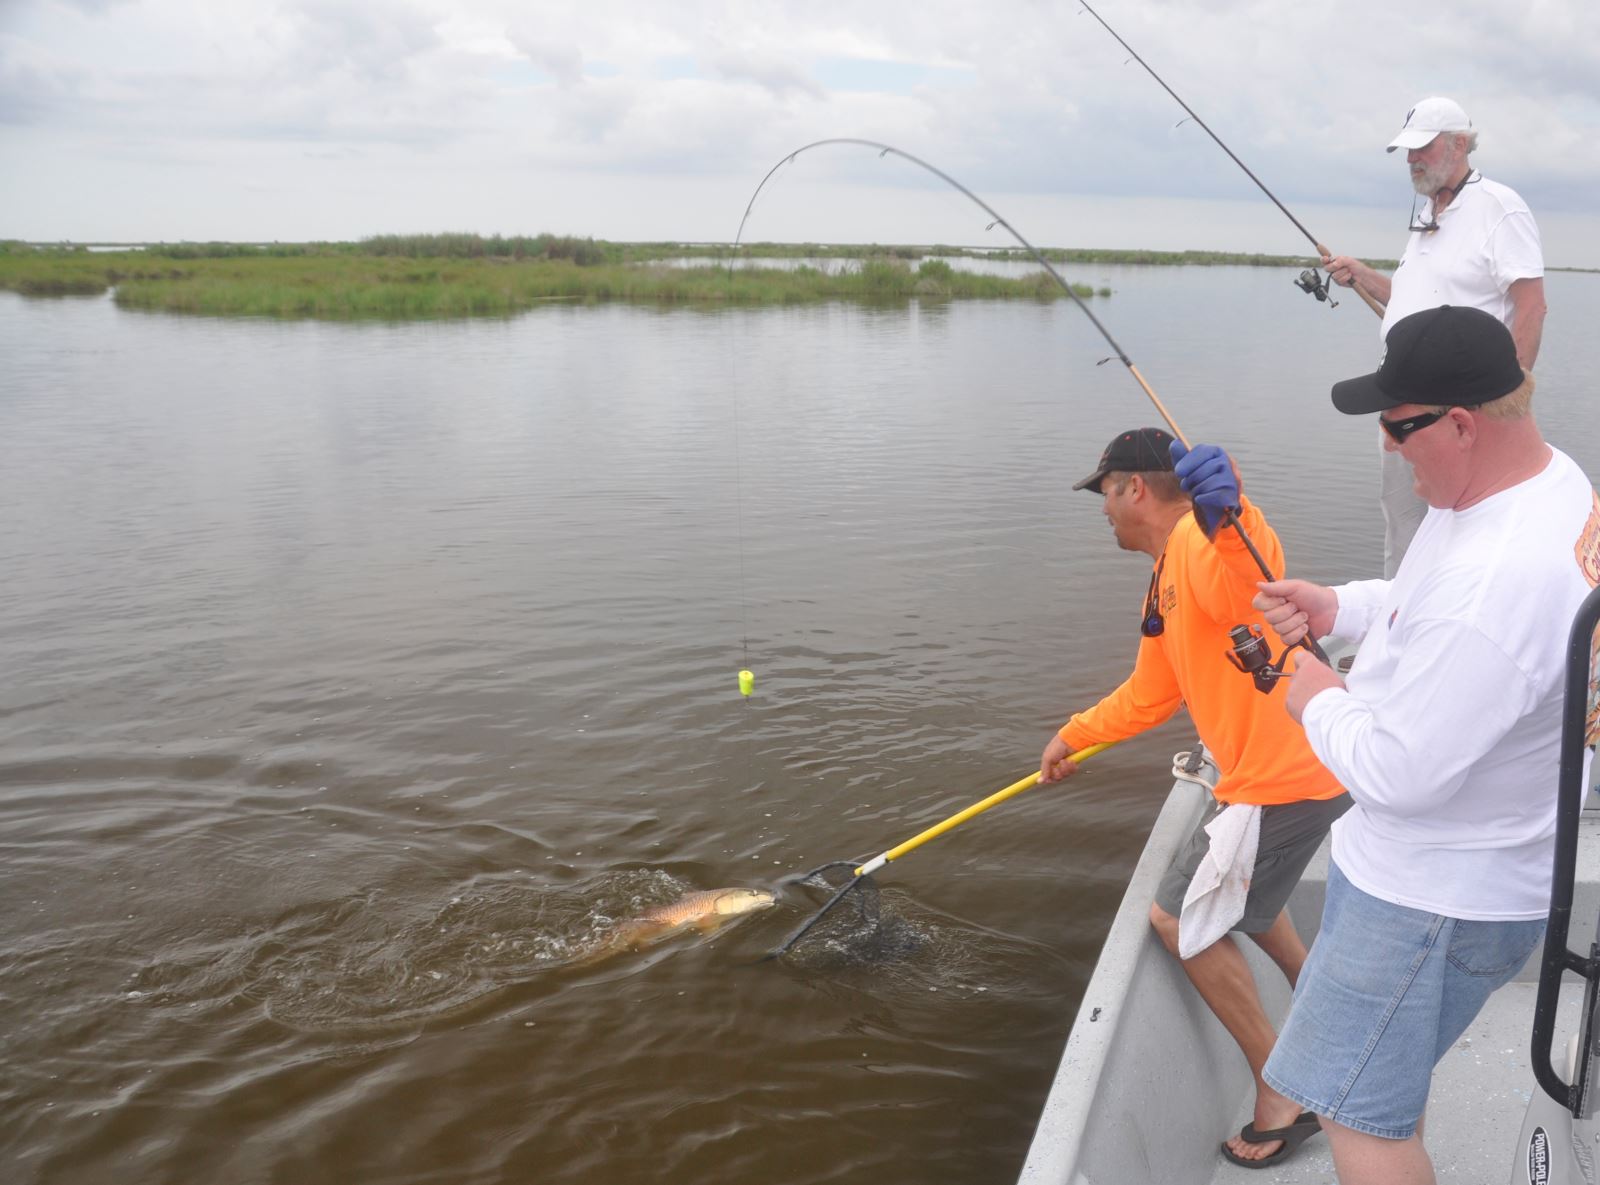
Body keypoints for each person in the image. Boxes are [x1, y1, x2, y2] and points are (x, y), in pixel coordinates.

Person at [1253, 305, 1598, 1185]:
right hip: (1483, 869)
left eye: (1398, 429)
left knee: (1358, 1115)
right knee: (1364, 1090)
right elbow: (1425, 593)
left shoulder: (1499, 584)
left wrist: (1312, 691)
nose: (1387, 448)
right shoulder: (1543, 482)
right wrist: (1343, 609)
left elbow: (1398, 774)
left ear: (1460, 423)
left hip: (1430, 897)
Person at [1041, 427, 1350, 1167]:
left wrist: (1228, 508)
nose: (1103, 511)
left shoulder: (1198, 541)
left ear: (1134, 488)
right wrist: (1072, 736)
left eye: (1104, 493)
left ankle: (1285, 1093)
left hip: (1289, 774)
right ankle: (1324, 1004)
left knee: (1178, 919)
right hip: (1261, 774)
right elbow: (1152, 692)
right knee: (1236, 891)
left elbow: (1251, 570)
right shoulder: (1162, 577)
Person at [1321, 96, 1547, 579]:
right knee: (1403, 526)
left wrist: (1506, 403)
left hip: (1458, 413)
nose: (1411, 160)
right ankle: (1397, 626)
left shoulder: (1499, 208)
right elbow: (1411, 300)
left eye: (1421, 147)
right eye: (1406, 151)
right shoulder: (1427, 215)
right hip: (1402, 404)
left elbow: (1532, 306)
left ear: (1459, 144)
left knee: (1461, 526)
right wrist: (1362, 275)